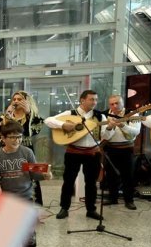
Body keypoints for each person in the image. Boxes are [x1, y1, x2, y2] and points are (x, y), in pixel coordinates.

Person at [0, 121, 52, 247]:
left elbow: (34, 174)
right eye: (12, 137)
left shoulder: (27, 153)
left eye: (19, 137)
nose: (16, 140)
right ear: (3, 138)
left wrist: (46, 176)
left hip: (25, 196)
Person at [45, 90, 106, 220]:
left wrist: (111, 128)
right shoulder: (70, 114)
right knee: (68, 181)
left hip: (92, 152)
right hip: (74, 152)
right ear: (82, 100)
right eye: (91, 99)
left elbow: (105, 136)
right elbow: (48, 120)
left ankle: (91, 209)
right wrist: (63, 124)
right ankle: (64, 208)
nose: (94, 102)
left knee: (91, 183)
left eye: (96, 99)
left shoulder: (100, 117)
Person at [0, 90, 45, 204]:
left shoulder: (32, 117)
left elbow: (35, 130)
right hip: (8, 152)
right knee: (11, 176)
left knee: (31, 175)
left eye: (19, 99)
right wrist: (6, 117)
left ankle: (34, 208)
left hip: (26, 151)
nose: (16, 102)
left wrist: (28, 113)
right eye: (14, 99)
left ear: (27, 101)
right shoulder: (6, 116)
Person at [101, 94, 141, 210]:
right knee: (110, 175)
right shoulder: (104, 115)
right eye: (112, 104)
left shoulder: (133, 113)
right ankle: (112, 198)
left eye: (117, 103)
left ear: (122, 103)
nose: (114, 106)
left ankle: (129, 200)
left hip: (126, 148)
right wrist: (109, 127)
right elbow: (104, 135)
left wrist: (123, 126)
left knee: (127, 175)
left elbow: (136, 132)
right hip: (110, 148)